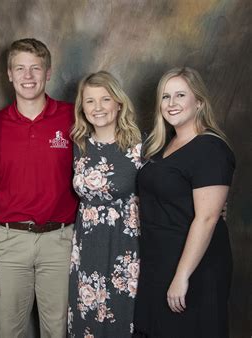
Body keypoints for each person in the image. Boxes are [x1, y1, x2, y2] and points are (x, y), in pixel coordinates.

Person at [133, 67, 235, 338]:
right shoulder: (162, 144)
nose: (172, 104)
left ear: (199, 102)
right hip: (159, 259)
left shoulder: (210, 148)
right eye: (166, 97)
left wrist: (182, 276)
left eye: (180, 95)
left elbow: (207, 218)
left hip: (194, 265)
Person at [0, 38, 78, 338]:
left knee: (57, 330)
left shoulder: (72, 116)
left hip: (60, 240)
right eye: (20, 68)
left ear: (48, 72)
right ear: (9, 74)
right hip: (10, 240)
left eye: (35, 68)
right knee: (9, 331)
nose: (28, 76)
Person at [67, 71, 142, 337]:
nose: (97, 108)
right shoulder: (78, 144)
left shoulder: (139, 147)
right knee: (86, 317)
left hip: (124, 248)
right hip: (86, 248)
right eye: (90, 101)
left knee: (120, 316)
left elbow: (166, 191)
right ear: (82, 107)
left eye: (105, 99)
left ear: (119, 103)